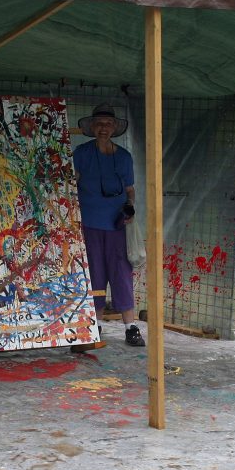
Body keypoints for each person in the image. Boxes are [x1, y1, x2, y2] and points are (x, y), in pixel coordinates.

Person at [73, 103, 145, 347]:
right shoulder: (81, 153)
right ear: (92, 127)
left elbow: (130, 191)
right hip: (89, 224)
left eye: (108, 124)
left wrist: (130, 208)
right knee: (94, 274)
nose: (103, 128)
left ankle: (130, 326)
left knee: (121, 273)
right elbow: (73, 184)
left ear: (115, 128)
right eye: (99, 123)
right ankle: (97, 325)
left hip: (117, 225)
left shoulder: (124, 157)